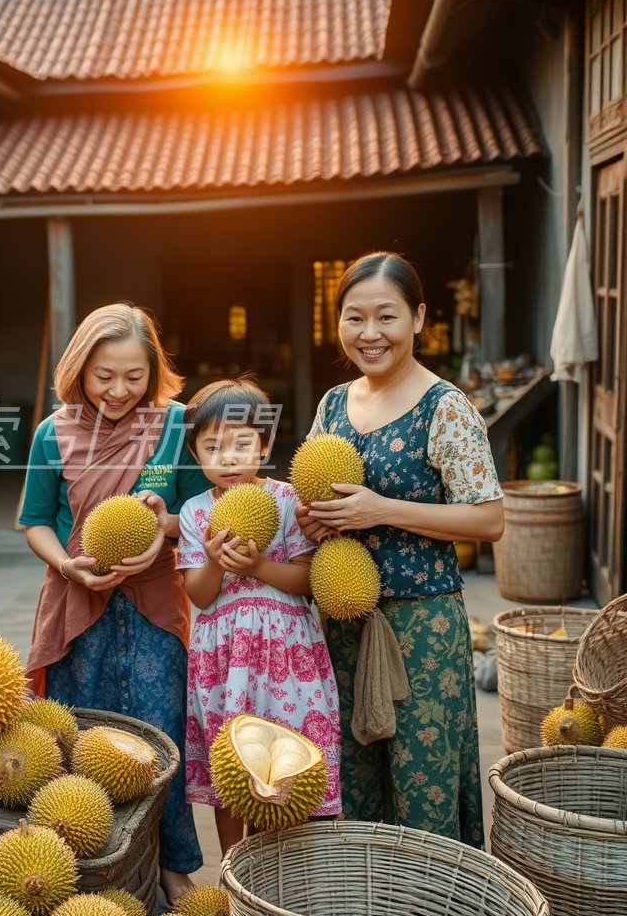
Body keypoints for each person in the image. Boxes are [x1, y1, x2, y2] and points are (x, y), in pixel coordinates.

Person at [297, 251, 504, 848]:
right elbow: (315, 498)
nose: (369, 333)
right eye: (353, 317)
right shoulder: (333, 405)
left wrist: (378, 509)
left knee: (426, 784)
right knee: (356, 784)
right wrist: (316, 522)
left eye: (385, 316)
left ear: (417, 318)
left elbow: (490, 519)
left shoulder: (446, 408)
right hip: (344, 622)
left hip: (423, 627)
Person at [19, 303, 210, 905]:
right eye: (105, 376)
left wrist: (164, 531)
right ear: (80, 368)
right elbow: (33, 523)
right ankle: (88, 867)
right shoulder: (53, 432)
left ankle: (172, 867)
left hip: (155, 607)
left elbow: (203, 515)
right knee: (85, 742)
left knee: (161, 738)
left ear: (153, 372)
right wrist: (65, 563)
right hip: (79, 607)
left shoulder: (178, 426)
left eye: (134, 376)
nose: (119, 390)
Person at [175, 377, 341, 854]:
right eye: (212, 447)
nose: (227, 458)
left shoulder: (288, 500)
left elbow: (307, 582)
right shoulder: (194, 513)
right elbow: (200, 596)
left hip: (285, 651)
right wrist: (212, 560)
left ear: (265, 445)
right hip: (223, 657)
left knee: (284, 763)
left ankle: (275, 868)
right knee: (231, 760)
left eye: (241, 444)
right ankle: (232, 867)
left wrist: (258, 567)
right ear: (196, 454)